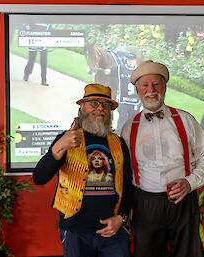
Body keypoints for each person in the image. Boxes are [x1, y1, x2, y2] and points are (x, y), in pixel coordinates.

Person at [121, 60, 204, 257]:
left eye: (156, 84)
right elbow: (125, 170)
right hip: (145, 203)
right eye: (145, 85)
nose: (151, 90)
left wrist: (190, 183)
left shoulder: (185, 119)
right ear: (138, 90)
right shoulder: (129, 127)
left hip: (183, 201)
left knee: (187, 252)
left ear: (164, 88)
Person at [33, 83, 133, 257]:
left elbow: (127, 185)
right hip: (75, 231)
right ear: (82, 107)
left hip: (113, 231)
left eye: (106, 104)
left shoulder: (118, 143)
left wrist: (121, 218)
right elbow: (39, 177)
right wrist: (59, 147)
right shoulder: (67, 138)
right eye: (94, 103)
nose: (100, 108)